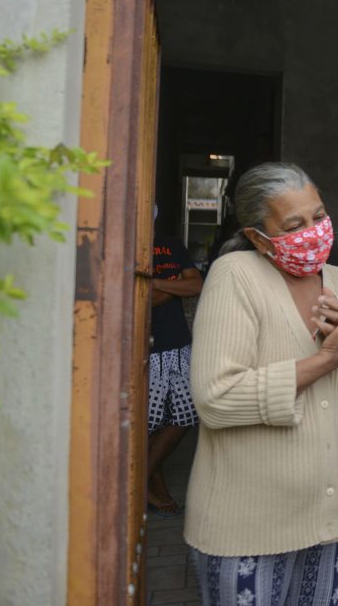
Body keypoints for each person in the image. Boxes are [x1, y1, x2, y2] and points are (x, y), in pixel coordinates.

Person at [184, 162, 338, 606]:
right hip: (245, 534)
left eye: (319, 217)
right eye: (294, 224)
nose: (314, 231)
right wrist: (325, 360)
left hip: (330, 524)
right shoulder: (235, 277)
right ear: (259, 237)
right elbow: (216, 399)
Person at [148, 213, 204, 516]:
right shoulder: (129, 248)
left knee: (185, 416)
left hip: (179, 344)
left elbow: (196, 285)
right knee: (149, 424)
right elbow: (141, 298)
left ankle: (140, 481)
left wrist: (155, 282)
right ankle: (157, 492)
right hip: (148, 347)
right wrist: (173, 285)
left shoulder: (171, 246)